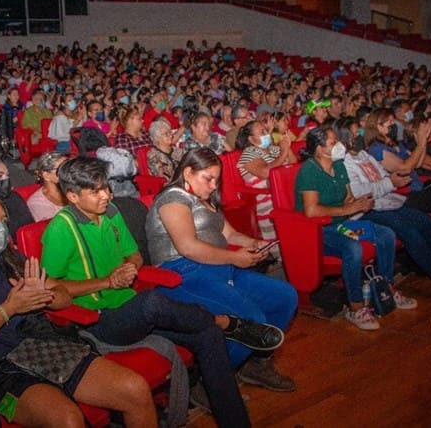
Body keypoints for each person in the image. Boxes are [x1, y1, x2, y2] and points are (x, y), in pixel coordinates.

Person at [42, 156, 282, 428]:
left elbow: (134, 255)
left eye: (106, 187)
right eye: (95, 191)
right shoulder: (61, 228)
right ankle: (225, 321)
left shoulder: (110, 213)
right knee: (152, 301)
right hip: (100, 321)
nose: (106, 195)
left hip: (131, 309)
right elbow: (49, 286)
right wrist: (107, 282)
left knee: (208, 336)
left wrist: (129, 268)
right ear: (72, 196)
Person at [0, 195, 156, 428]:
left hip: (42, 346)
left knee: (135, 389)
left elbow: (64, 298)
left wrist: (46, 295)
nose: (0, 226)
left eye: (3, 220)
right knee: (67, 420)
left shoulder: (13, 260)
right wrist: (8, 309)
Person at [145, 148, 297, 391]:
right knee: (252, 321)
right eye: (208, 178)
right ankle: (212, 385)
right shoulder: (172, 198)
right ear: (188, 172)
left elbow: (229, 234)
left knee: (284, 297)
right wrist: (235, 258)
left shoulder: (206, 200)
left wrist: (253, 243)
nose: (214, 185)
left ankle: (254, 363)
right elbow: (188, 247)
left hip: (218, 267)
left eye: (217, 179)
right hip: (182, 273)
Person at [335, 120, 431, 300]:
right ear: (345, 138)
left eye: (358, 133)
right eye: (354, 135)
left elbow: (383, 177)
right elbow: (361, 191)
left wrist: (387, 182)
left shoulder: (364, 155)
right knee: (409, 230)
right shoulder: (343, 163)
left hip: (387, 201)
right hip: (368, 210)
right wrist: (389, 183)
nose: (358, 137)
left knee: (427, 222)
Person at [294, 127, 416, 331]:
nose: (339, 146)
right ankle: (356, 306)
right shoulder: (309, 170)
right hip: (319, 230)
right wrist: (347, 208)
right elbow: (311, 210)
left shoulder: (339, 165)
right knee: (353, 248)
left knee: (385, 234)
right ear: (320, 149)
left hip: (341, 224)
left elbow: (348, 198)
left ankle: (387, 288)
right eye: (333, 143)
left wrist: (360, 204)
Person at [235, 120, 297, 250]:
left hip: (285, 193)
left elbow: (293, 164)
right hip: (266, 199)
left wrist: (287, 146)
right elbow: (265, 172)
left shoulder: (273, 149)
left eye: (266, 131)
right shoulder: (248, 153)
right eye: (262, 132)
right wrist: (284, 153)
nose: (267, 134)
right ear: (251, 139)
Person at [26, 150, 67, 221]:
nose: (69, 172)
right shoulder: (37, 203)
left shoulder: (74, 189)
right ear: (46, 175)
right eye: (62, 169)